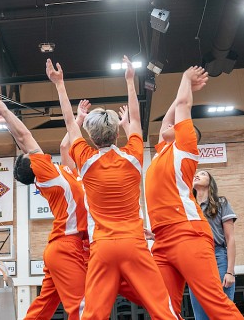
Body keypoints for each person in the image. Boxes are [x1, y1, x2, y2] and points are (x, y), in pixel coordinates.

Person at [47, 56, 180, 320]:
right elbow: (136, 119)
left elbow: (69, 123)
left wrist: (59, 84)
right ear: (118, 133)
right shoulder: (133, 156)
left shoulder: (84, 159)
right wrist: (130, 80)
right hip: (134, 244)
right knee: (164, 311)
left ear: (91, 137)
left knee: (93, 315)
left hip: (103, 247)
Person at [144, 66, 244, 319]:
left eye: (175, 124)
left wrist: (185, 80)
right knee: (163, 309)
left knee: (215, 305)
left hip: (187, 233)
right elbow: (169, 117)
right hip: (162, 239)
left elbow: (183, 107)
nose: (167, 125)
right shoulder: (162, 151)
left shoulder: (185, 144)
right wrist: (179, 95)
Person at [0, 94, 90, 320]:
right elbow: (25, 136)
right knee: (82, 308)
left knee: (42, 309)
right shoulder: (47, 174)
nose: (31, 150)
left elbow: (62, 144)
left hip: (61, 247)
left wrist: (79, 118)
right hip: (67, 246)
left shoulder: (62, 172)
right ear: (33, 164)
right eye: (29, 155)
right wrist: (4, 110)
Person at [189, 170, 238, 320]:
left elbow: (230, 238)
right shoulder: (188, 206)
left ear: (210, 182)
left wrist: (229, 272)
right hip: (194, 260)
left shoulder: (221, 203)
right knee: (200, 314)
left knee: (222, 311)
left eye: (203, 174)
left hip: (217, 256)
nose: (197, 175)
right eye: (195, 174)